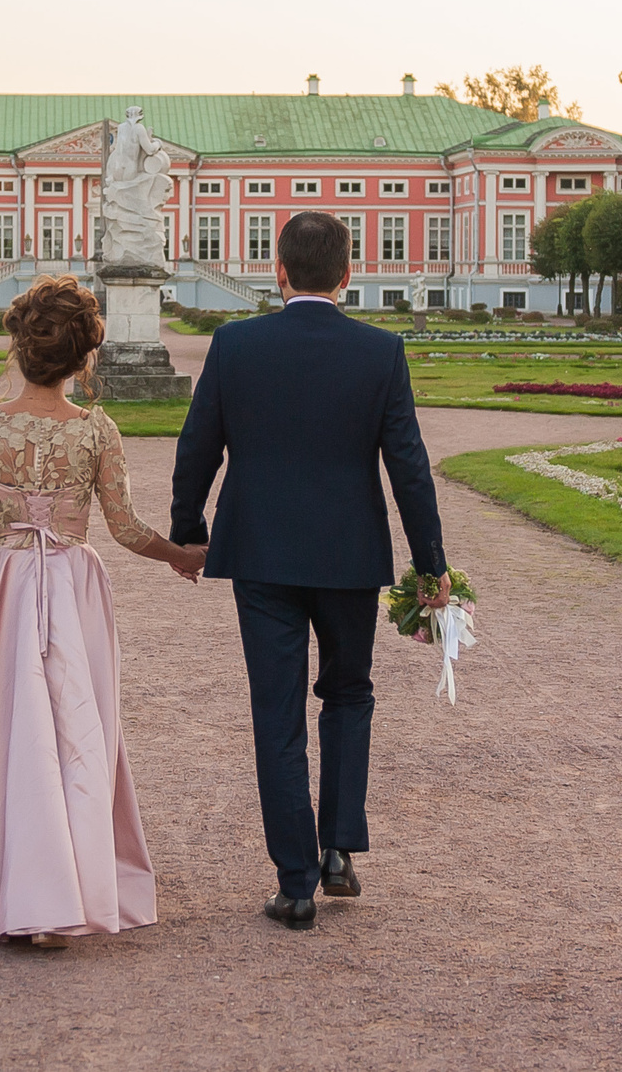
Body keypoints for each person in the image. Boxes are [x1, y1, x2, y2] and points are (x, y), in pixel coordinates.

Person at [0, 275, 206, 948]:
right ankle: (67, 888)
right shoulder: (96, 429)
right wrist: (179, 556)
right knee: (75, 729)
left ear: (18, 346)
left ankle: (18, 885)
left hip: (7, 582)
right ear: (84, 356)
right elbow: (125, 528)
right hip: (73, 582)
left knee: (9, 728)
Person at [171, 212, 449, 930]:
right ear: (348, 276)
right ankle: (338, 849)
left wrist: (187, 528)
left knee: (277, 711)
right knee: (349, 694)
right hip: (349, 556)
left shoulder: (235, 344)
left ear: (279, 272)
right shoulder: (381, 350)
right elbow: (409, 466)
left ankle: (295, 883)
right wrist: (431, 563)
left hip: (261, 551)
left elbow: (198, 444)